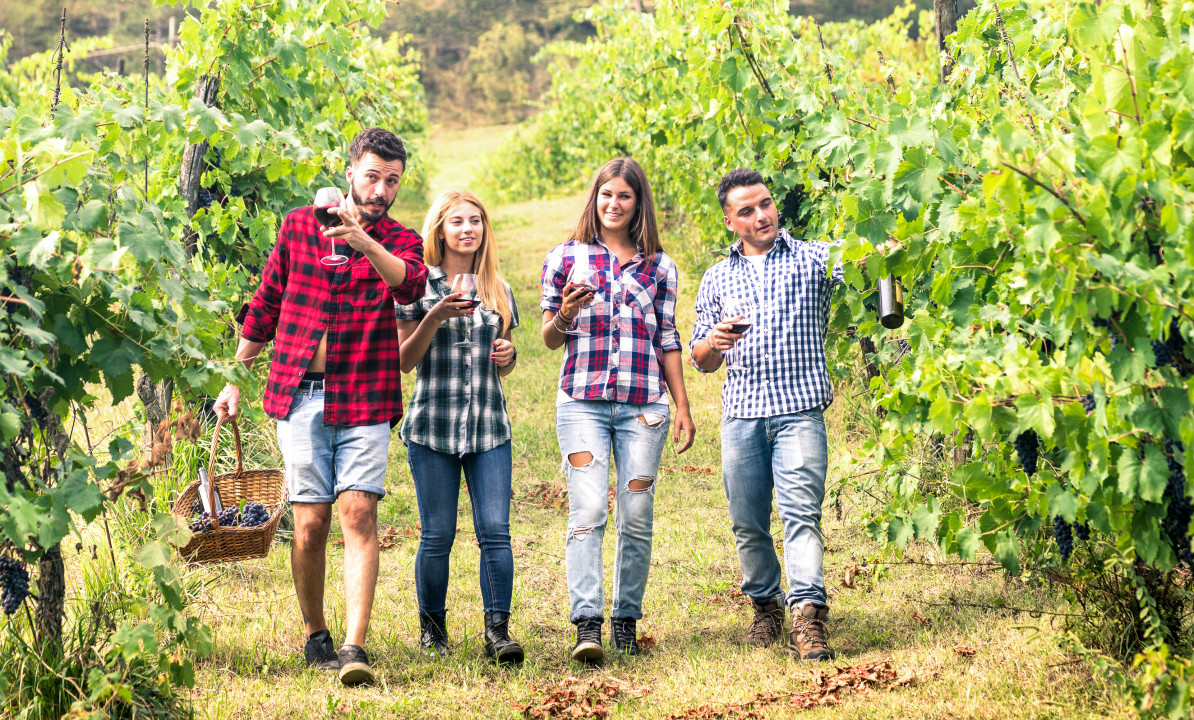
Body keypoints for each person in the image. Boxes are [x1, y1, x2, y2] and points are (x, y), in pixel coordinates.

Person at [213, 128, 427, 686]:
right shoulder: (299, 226)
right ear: (350, 170)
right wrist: (235, 378)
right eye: (374, 175)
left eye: (393, 181)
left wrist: (364, 242)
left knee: (359, 512)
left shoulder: (400, 240)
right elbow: (265, 305)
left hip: (366, 394)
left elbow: (409, 288)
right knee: (310, 522)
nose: (382, 189)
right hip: (300, 393)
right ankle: (316, 634)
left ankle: (355, 646)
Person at [540, 157, 695, 664]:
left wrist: (682, 407)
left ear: (638, 203)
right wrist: (566, 312)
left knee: (637, 513)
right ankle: (587, 622)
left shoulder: (659, 266)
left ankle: (625, 619)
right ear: (595, 198)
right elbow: (547, 339)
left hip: (642, 405)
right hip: (581, 402)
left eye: (624, 196)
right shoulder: (566, 257)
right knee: (586, 511)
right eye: (606, 194)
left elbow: (668, 338)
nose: (614, 204)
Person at [690, 168, 842, 661]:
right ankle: (765, 607)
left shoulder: (815, 258)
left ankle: (807, 616)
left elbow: (870, 264)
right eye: (748, 210)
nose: (762, 216)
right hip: (742, 415)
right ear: (730, 221)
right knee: (748, 521)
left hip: (800, 410)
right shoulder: (718, 276)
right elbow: (701, 357)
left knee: (801, 515)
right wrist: (713, 342)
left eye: (766, 204)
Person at [395, 189, 524, 665]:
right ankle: (433, 631)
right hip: (433, 426)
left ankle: (498, 632)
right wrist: (435, 316)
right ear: (440, 230)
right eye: (457, 222)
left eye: (476, 221)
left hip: (488, 427)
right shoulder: (418, 288)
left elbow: (502, 359)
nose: (468, 229)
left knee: (495, 529)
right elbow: (405, 362)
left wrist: (508, 357)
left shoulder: (497, 288)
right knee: (438, 533)